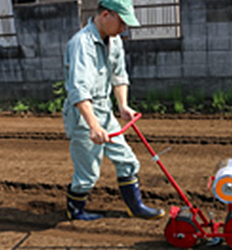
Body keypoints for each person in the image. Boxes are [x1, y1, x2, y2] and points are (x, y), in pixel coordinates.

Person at [62, 0, 165, 221]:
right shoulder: (81, 43)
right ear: (106, 15)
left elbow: (119, 76)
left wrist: (123, 106)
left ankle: (135, 207)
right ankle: (75, 210)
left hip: (104, 109)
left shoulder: (115, 40)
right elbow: (78, 90)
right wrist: (93, 125)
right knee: (88, 174)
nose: (124, 28)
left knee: (127, 161)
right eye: (122, 22)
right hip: (83, 114)